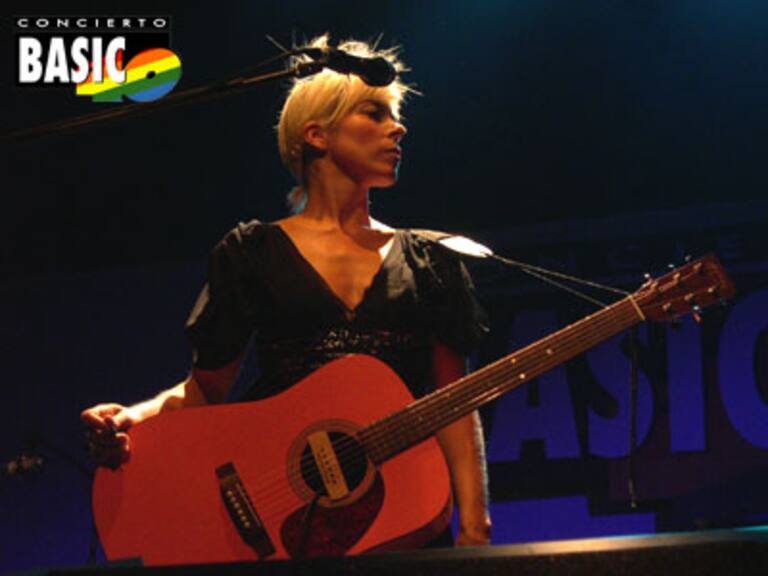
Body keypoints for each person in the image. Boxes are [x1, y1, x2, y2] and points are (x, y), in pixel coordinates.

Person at [81, 35, 491, 548]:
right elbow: (204, 391)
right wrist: (131, 418)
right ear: (316, 134)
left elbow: (455, 403)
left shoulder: (431, 260)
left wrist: (474, 528)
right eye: (375, 113)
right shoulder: (252, 253)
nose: (398, 127)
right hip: (292, 526)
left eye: (395, 116)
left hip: (403, 513)